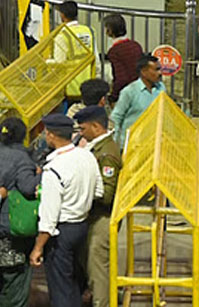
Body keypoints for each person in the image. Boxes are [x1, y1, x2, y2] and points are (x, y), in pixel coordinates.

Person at [29, 114, 103, 307]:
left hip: (61, 233)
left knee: (60, 287)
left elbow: (49, 218)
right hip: (82, 226)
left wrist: (38, 248)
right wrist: (79, 199)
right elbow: (99, 191)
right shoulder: (87, 156)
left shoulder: (54, 169)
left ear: (51, 135)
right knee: (75, 283)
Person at [0, 117, 41, 307]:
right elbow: (28, 187)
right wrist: (41, 175)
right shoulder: (23, 159)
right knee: (15, 282)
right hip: (12, 230)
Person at [73, 105, 121, 307]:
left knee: (97, 267)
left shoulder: (106, 154)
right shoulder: (97, 148)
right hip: (94, 216)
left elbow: (107, 195)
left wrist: (81, 192)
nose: (81, 133)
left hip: (102, 217)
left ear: (95, 126)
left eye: (83, 129)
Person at [110, 55, 164, 148]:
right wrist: (114, 144)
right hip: (133, 145)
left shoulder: (161, 89)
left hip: (153, 143)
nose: (160, 73)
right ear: (144, 72)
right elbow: (116, 117)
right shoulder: (129, 91)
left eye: (160, 69)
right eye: (156, 70)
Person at [52, 0, 95, 103]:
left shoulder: (62, 35)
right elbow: (95, 57)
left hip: (71, 86)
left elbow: (59, 62)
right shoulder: (88, 30)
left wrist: (48, 62)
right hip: (88, 81)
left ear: (62, 15)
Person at [102, 14, 144, 102]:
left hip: (126, 94)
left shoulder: (114, 51)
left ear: (110, 30)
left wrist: (113, 96)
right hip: (141, 89)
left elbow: (120, 78)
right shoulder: (136, 45)